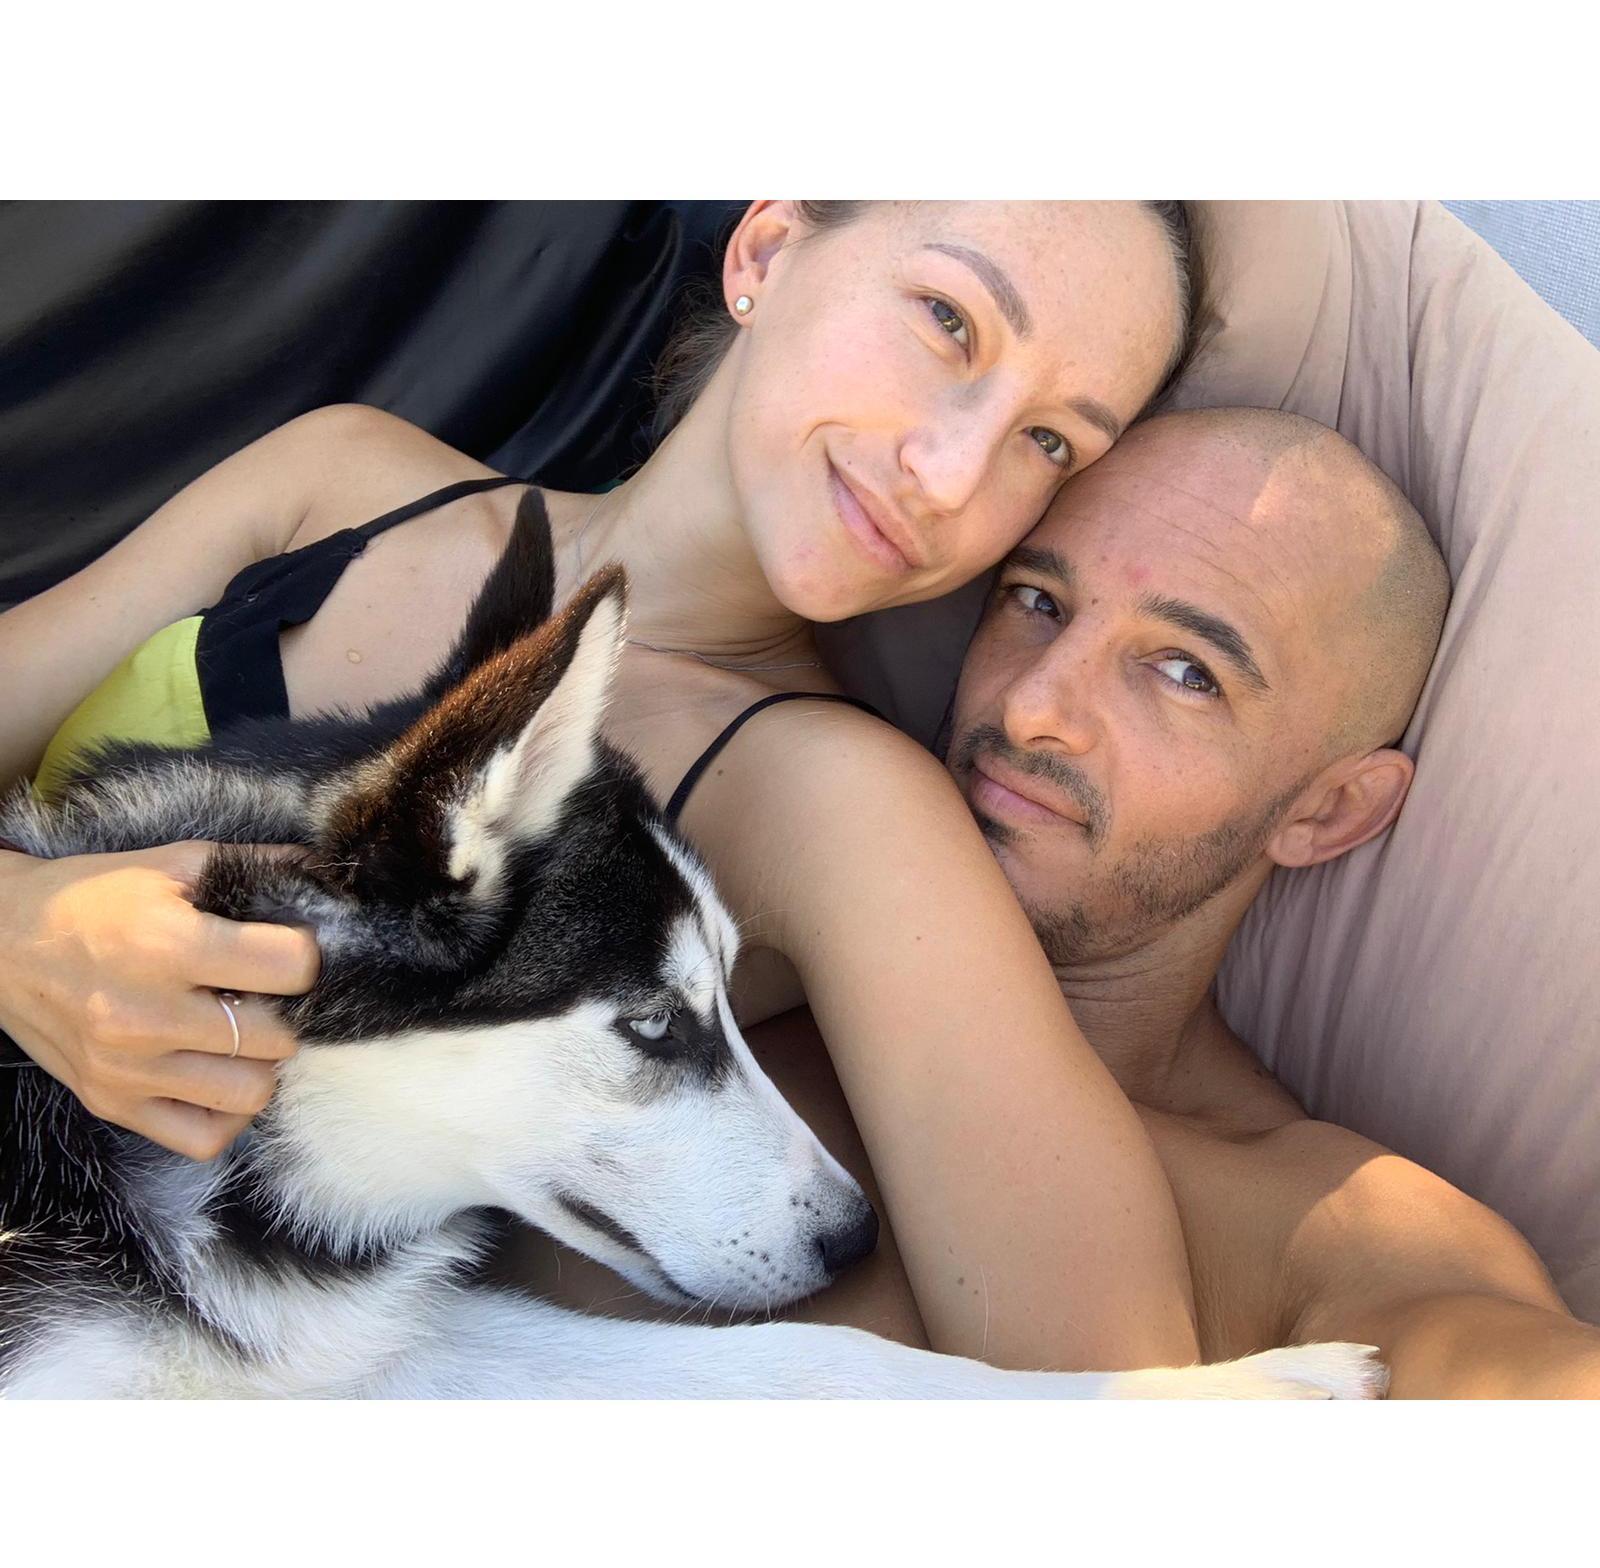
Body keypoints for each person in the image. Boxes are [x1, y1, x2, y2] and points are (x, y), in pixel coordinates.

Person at [0, 200, 1209, 1373]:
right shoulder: (340, 481)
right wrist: (19, 931)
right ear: (767, 249)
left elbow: (1109, 1375)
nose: (949, 474)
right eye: (948, 320)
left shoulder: (843, 810)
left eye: (1049, 441)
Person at [558, 404, 1594, 1397]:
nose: (1033, 705)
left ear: (1327, 810)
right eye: (1038, 602)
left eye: (1184, 671)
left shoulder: (1323, 1221)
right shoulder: (743, 889)